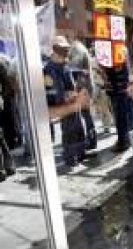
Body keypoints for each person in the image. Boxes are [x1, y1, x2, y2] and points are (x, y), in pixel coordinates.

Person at [43, 35, 91, 166]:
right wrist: (66, 95)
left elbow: (70, 82)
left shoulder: (65, 64)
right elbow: (52, 89)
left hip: (73, 101)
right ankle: (70, 157)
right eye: (63, 48)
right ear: (55, 49)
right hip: (63, 105)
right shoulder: (49, 68)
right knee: (69, 129)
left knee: (78, 127)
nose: (66, 52)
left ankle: (80, 153)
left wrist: (76, 89)